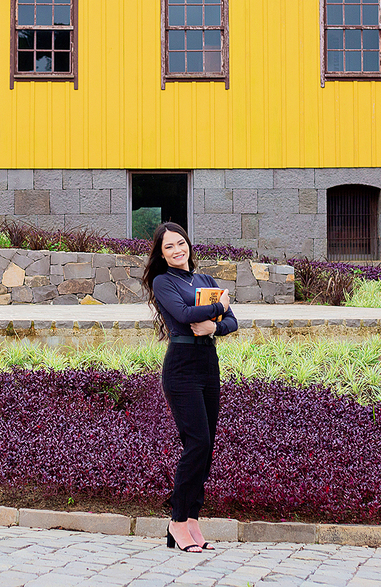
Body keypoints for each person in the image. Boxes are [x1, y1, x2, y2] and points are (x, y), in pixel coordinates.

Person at [143, 221, 238, 554]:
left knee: (207, 445)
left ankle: (192, 518)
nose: (176, 250)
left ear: (188, 245)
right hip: (181, 367)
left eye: (180, 243)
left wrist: (212, 324)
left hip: (208, 365)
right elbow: (183, 315)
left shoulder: (205, 280)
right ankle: (177, 520)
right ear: (162, 253)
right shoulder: (163, 281)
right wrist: (219, 307)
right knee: (196, 443)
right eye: (168, 247)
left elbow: (232, 322)